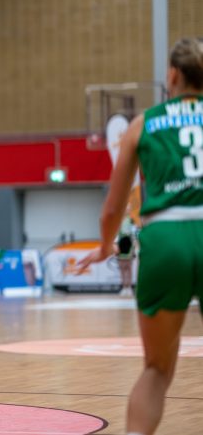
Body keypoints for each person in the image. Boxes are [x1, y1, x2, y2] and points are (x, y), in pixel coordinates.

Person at [79, 38, 203, 435]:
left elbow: (113, 209)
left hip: (165, 239)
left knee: (156, 369)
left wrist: (103, 247)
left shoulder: (143, 124)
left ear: (172, 75)